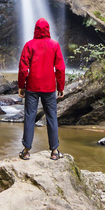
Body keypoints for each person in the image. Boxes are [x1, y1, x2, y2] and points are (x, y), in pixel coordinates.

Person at [17, 17, 65, 160]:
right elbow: (60, 68)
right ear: (48, 30)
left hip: (32, 86)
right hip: (49, 87)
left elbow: (23, 68)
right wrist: (60, 86)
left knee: (30, 116)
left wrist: (21, 85)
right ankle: (55, 151)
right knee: (51, 117)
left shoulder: (29, 45)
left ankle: (26, 151)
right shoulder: (54, 45)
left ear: (35, 30)